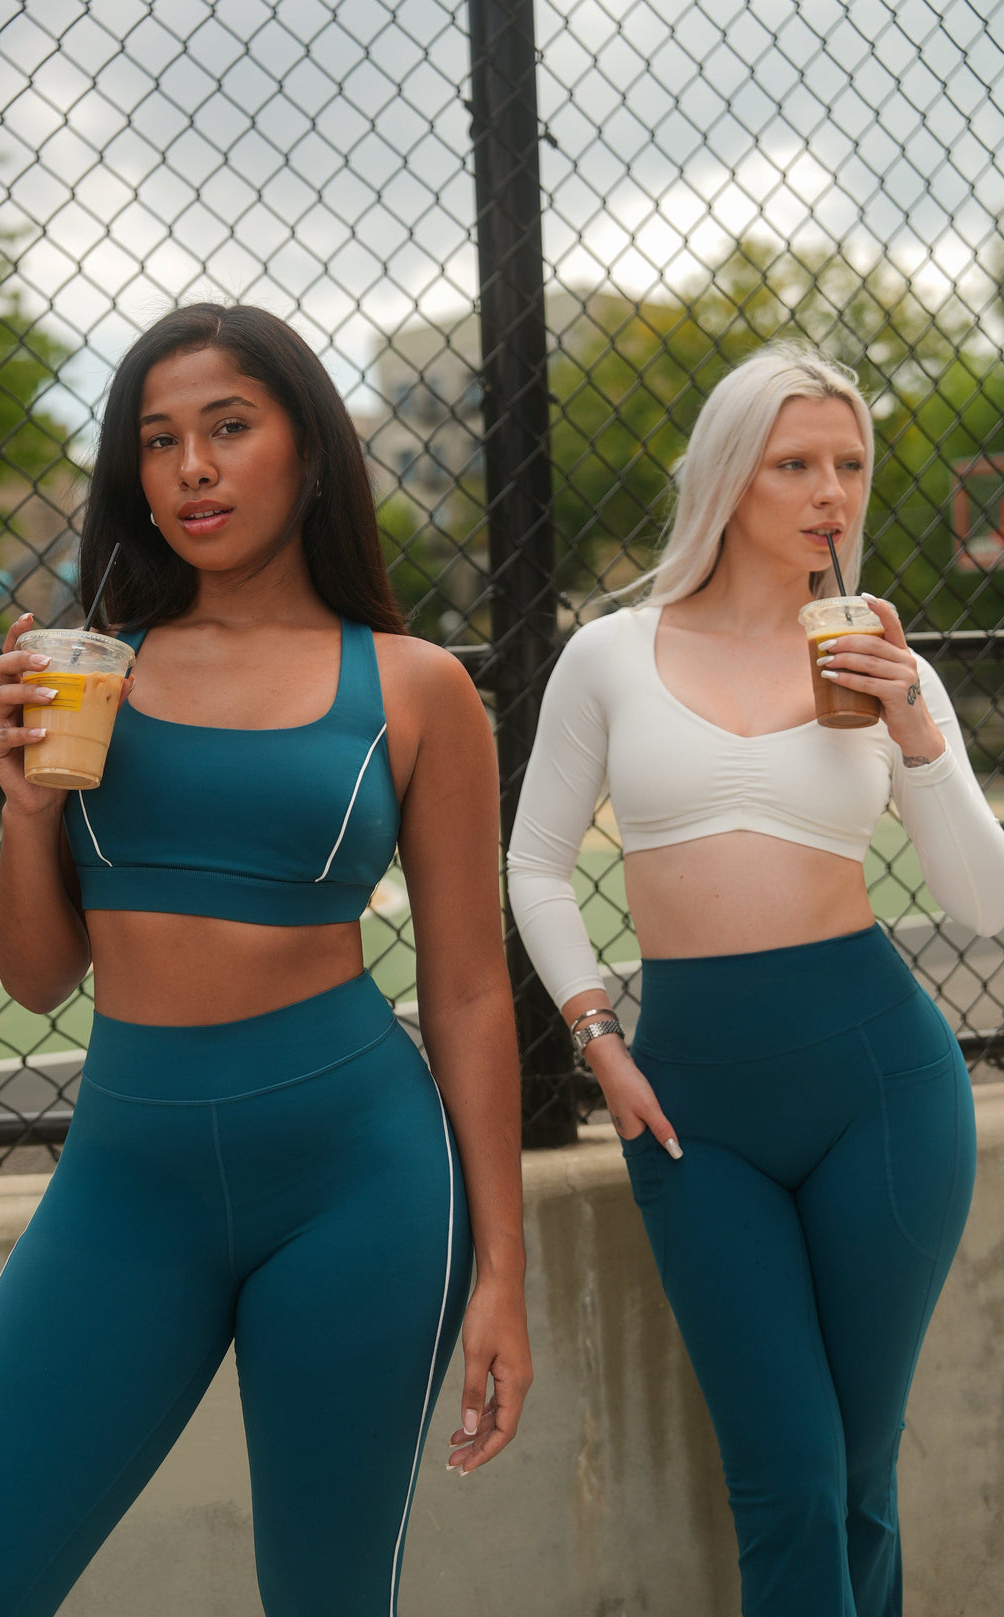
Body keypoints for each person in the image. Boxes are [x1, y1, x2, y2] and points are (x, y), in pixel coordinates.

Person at [0, 303, 531, 1617]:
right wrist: (25, 813)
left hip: (358, 1180)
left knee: (324, 1594)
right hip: (124, 1186)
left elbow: (473, 988)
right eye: (158, 440)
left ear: (306, 450)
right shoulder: (93, 673)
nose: (191, 466)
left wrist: (503, 1273)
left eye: (228, 427)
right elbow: (35, 980)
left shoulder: (417, 686)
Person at [507, 344, 1004, 1617]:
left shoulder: (886, 660)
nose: (830, 491)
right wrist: (599, 1040)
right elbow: (539, 867)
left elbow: (986, 902)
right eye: (796, 463)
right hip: (690, 1111)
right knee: (784, 1477)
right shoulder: (611, 653)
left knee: (855, 1476)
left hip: (881, 1091)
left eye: (848, 464)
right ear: (732, 478)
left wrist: (919, 735)